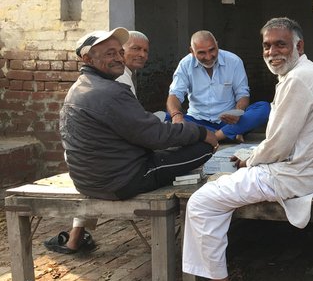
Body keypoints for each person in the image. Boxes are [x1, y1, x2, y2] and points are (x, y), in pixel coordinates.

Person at [174, 17, 313, 281]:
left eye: (280, 44)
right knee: (218, 188)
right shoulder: (305, 74)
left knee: (200, 203)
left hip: (295, 175)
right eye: (267, 45)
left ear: (299, 46)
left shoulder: (298, 80)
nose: (272, 52)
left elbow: (277, 145)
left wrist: (249, 160)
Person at [46, 28, 219, 254]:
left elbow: (141, 131)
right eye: (110, 54)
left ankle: (76, 237)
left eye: (119, 52)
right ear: (88, 59)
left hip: (88, 180)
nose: (119, 58)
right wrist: (200, 132)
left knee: (174, 137)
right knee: (203, 147)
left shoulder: (80, 87)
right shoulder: (110, 91)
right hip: (122, 181)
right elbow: (155, 136)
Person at [167, 30, 270, 143]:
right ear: (192, 51)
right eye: (202, 52)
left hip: (228, 121)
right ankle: (230, 133)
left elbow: (243, 94)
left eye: (212, 50)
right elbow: (175, 95)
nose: (208, 56)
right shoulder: (185, 64)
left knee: (264, 108)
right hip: (197, 120)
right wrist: (176, 116)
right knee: (166, 119)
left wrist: (237, 112)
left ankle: (212, 136)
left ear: (217, 45)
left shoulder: (234, 61)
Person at [116, 30, 149, 96]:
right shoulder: (120, 76)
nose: (142, 55)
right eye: (136, 48)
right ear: (121, 50)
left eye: (145, 51)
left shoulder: (127, 73)